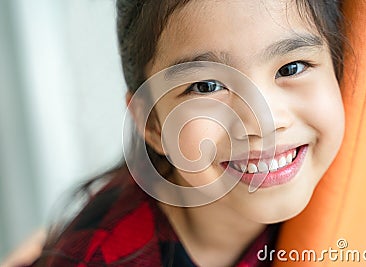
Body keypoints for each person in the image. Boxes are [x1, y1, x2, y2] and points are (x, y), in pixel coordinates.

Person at [28, 0, 346, 266]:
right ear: (152, 124)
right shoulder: (103, 258)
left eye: (291, 68)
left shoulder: (355, 186)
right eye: (206, 86)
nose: (263, 122)